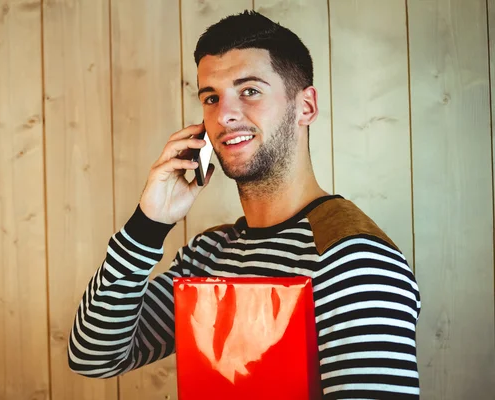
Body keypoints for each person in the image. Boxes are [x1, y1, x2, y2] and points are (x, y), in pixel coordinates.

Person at [68, 10, 421, 399]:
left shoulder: (353, 258)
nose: (225, 114)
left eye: (249, 90)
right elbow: (94, 356)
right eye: (211, 97)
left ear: (305, 107)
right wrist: (147, 224)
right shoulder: (208, 255)